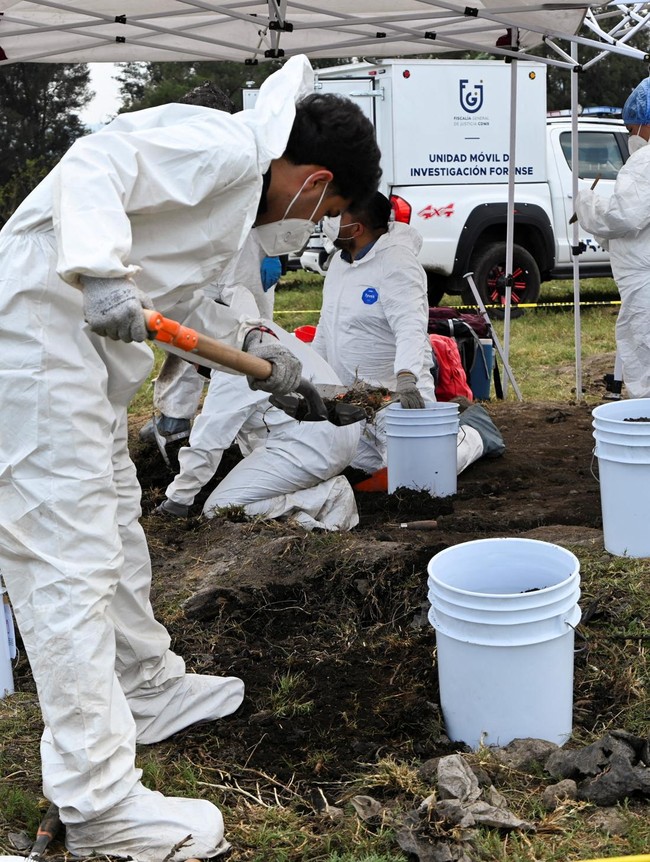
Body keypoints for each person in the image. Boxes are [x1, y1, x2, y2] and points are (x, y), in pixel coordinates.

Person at [0, 55, 381, 862]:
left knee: (114, 530)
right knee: (67, 566)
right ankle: (100, 805)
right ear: (315, 180)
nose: (315, 224)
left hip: (81, 372)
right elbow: (94, 161)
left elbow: (188, 293)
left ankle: (145, 687)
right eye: (328, 209)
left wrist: (260, 354)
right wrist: (100, 271)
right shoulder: (228, 149)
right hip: (34, 356)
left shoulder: (234, 198)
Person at [312, 192, 504, 480]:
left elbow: (410, 326)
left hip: (397, 398)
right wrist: (313, 377)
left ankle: (474, 431)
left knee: (420, 477)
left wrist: (407, 376)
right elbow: (326, 326)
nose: (328, 220)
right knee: (353, 468)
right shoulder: (341, 263)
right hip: (351, 403)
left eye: (338, 214)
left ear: (358, 228)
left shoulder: (398, 264)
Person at [156, 288, 361, 531]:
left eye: (190, 358)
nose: (192, 366)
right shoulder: (264, 336)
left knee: (220, 508)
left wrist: (178, 500)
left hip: (311, 448)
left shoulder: (236, 361)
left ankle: (327, 497)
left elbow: (209, 440)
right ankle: (308, 498)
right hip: (332, 437)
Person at [574, 76, 650, 398]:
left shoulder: (644, 164)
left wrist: (587, 205)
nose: (631, 134)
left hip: (644, 282)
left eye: (633, 126)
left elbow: (624, 216)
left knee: (644, 361)